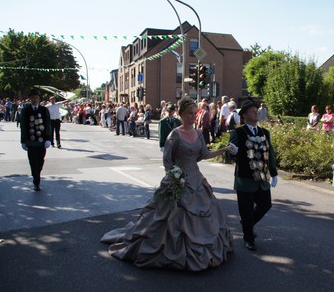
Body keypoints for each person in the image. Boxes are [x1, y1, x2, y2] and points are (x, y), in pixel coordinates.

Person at [100, 98, 237, 271]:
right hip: (177, 179)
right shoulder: (175, 134)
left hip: (196, 179)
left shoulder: (199, 134)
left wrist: (224, 149)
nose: (193, 117)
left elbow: (204, 155)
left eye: (195, 113)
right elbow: (167, 161)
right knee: (169, 216)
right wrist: (176, 177)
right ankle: (171, 250)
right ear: (181, 114)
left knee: (203, 211)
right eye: (190, 113)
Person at [229, 99, 278, 251]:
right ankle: (248, 238)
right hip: (245, 178)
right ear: (244, 116)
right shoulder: (238, 132)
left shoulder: (265, 132)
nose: (256, 112)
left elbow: (270, 154)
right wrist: (234, 153)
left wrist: (274, 173)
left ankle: (247, 224)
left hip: (262, 178)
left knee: (265, 204)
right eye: (252, 111)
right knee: (246, 209)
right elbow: (231, 152)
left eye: (256, 110)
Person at [20, 89, 51, 191]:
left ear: (39, 99)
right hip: (31, 141)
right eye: (33, 98)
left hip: (42, 141)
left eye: (36, 98)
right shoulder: (26, 110)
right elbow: (23, 126)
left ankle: (37, 174)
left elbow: (47, 125)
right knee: (33, 162)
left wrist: (48, 139)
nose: (35, 99)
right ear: (30, 99)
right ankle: (36, 181)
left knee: (40, 161)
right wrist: (23, 141)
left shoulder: (44, 110)